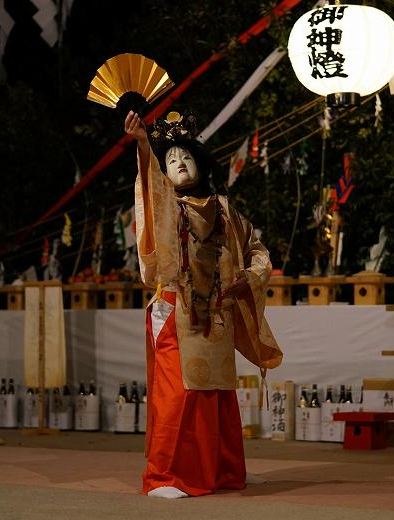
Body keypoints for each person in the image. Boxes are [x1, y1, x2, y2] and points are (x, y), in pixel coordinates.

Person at [124, 110, 282, 499]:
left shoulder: (226, 210)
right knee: (177, 397)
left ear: (202, 162)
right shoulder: (168, 207)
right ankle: (165, 476)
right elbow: (152, 191)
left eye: (187, 156)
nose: (179, 163)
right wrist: (145, 146)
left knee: (220, 395)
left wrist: (250, 277)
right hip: (177, 310)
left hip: (218, 313)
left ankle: (225, 470)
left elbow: (255, 250)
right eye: (171, 159)